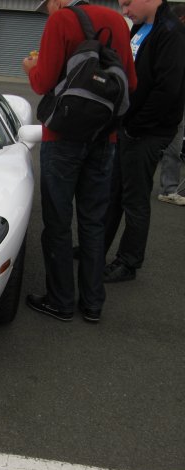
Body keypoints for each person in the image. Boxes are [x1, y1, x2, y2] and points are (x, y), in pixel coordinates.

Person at [22, 0, 136, 322]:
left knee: (58, 221)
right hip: (104, 138)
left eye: (46, 7)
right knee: (93, 221)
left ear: (57, 1)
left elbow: (43, 83)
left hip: (62, 139)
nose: (48, 12)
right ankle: (92, 303)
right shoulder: (118, 20)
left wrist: (32, 68)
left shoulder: (61, 21)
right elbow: (133, 84)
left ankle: (60, 301)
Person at [103, 0, 185, 282]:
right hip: (128, 126)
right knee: (113, 192)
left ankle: (128, 262)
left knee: (134, 199)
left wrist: (136, 126)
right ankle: (96, 248)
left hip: (147, 131)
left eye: (127, 3)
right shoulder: (139, 27)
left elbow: (168, 90)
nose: (124, 10)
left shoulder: (171, 33)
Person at [156, 3, 185, 206]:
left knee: (174, 146)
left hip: (175, 101)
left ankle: (169, 189)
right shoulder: (171, 37)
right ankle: (169, 189)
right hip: (169, 102)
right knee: (171, 145)